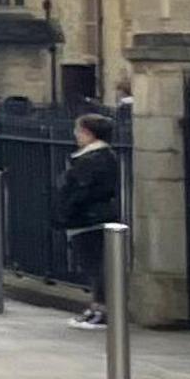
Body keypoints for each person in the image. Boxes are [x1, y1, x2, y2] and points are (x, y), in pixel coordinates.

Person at [60, 113, 122, 328]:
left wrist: (67, 210)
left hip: (91, 218)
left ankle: (102, 309)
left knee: (97, 265)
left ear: (89, 133)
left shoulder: (96, 158)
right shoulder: (91, 157)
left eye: (79, 130)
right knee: (91, 265)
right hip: (86, 217)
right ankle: (96, 306)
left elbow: (82, 189)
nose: (76, 135)